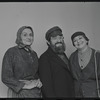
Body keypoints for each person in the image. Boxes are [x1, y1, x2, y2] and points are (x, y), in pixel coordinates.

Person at [1, 26, 42, 98]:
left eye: (31, 35)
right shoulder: (11, 52)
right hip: (19, 93)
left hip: (35, 93)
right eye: (25, 35)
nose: (29, 37)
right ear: (19, 36)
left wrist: (38, 81)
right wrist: (25, 85)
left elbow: (36, 73)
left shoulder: (34, 54)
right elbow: (6, 77)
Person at [38, 26, 74, 98]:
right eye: (54, 38)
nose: (59, 40)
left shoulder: (63, 54)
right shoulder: (44, 58)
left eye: (60, 37)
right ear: (48, 42)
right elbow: (46, 88)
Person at [69, 31, 100, 98]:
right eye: (75, 40)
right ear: (74, 44)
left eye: (80, 38)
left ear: (86, 40)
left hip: (93, 93)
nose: (78, 41)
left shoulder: (97, 55)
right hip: (77, 94)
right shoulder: (72, 57)